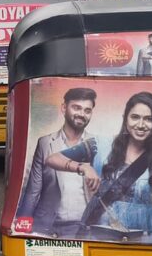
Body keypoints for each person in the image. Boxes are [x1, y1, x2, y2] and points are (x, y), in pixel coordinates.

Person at [45, 92, 152, 244]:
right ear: (125, 118)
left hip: (143, 236)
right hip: (98, 232)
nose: (141, 125)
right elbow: (53, 159)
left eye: (148, 119)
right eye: (135, 117)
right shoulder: (102, 145)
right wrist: (83, 168)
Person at [16, 88, 99, 237]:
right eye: (76, 108)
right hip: (47, 226)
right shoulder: (45, 143)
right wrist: (22, 227)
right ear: (64, 108)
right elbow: (33, 191)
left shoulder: (96, 145)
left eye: (87, 110)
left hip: (83, 229)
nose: (81, 114)